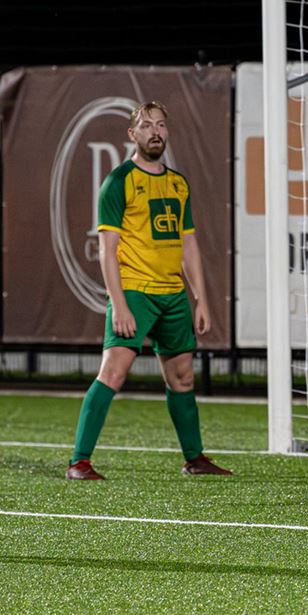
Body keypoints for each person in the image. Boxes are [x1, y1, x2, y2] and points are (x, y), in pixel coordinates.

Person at [66, 101, 229, 479]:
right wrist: (119, 303)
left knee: (182, 377)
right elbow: (107, 251)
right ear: (132, 134)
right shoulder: (119, 181)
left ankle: (194, 459)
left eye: (161, 125)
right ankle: (79, 462)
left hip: (173, 295)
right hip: (135, 292)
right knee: (113, 373)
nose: (155, 131)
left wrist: (201, 299)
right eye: (147, 125)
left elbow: (189, 245)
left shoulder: (178, 184)